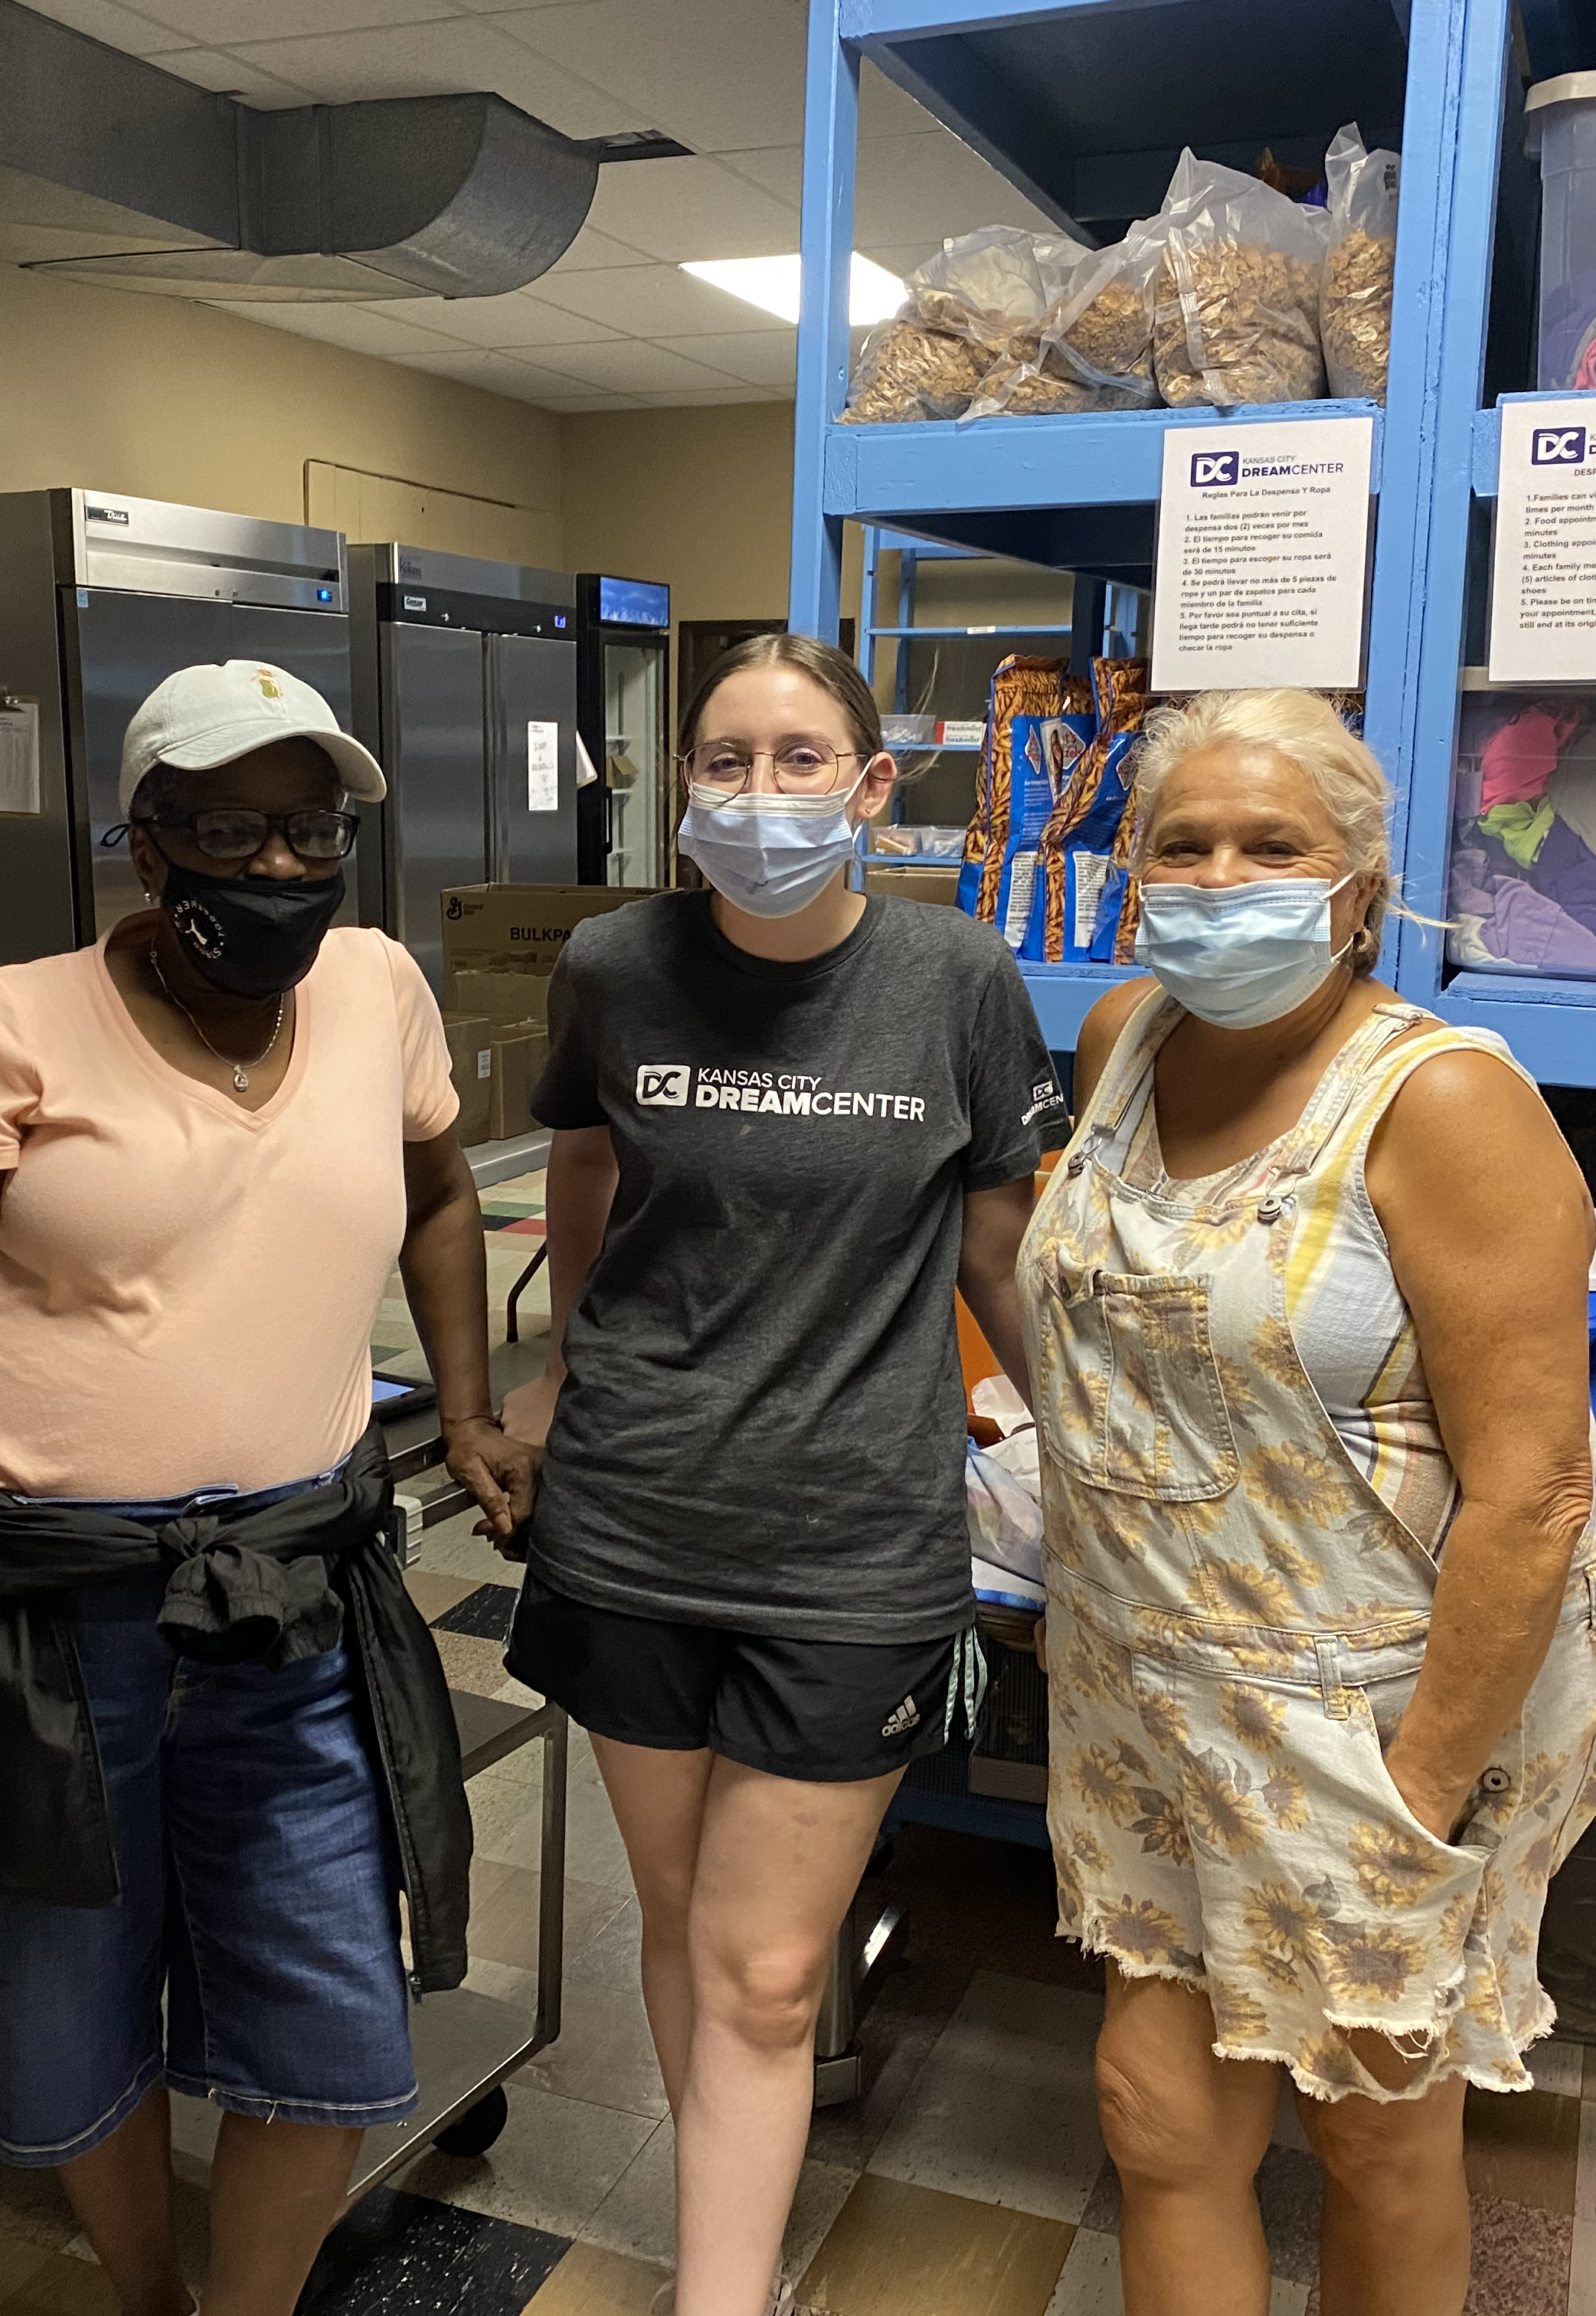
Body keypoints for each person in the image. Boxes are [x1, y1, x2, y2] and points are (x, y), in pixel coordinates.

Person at [0, 659, 537, 2316]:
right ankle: (148, 2295)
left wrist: (466, 1410)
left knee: (329, 2013)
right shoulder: (9, 1024)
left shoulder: (380, 991)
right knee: (62, 2010)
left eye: (309, 827)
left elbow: (445, 1197)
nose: (276, 868)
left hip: (297, 1601)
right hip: (42, 1615)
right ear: (145, 843)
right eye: (226, 830)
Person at [1023, 688, 1596, 2316]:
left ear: (1359, 887)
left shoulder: (1445, 1106)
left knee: (1370, 2137)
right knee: (1156, 2121)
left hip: (1376, 1724)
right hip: (1149, 1696)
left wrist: (1411, 1808)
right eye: (1185, 847)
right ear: (1135, 875)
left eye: (1272, 846)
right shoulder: (1119, 1045)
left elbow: (1532, 1495)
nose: (1224, 880)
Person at [499, 633, 1067, 2316]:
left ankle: (718, 2296)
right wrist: (556, 1367)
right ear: (684, 787)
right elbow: (587, 1167)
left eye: (800, 758)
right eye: (725, 761)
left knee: (762, 1965)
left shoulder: (956, 980)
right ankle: (723, 2253)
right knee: (682, 1929)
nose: (758, 794)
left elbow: (996, 1246)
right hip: (630, 1521)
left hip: (850, 1545)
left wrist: (1092, 1464)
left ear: (875, 786)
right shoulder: (611, 963)